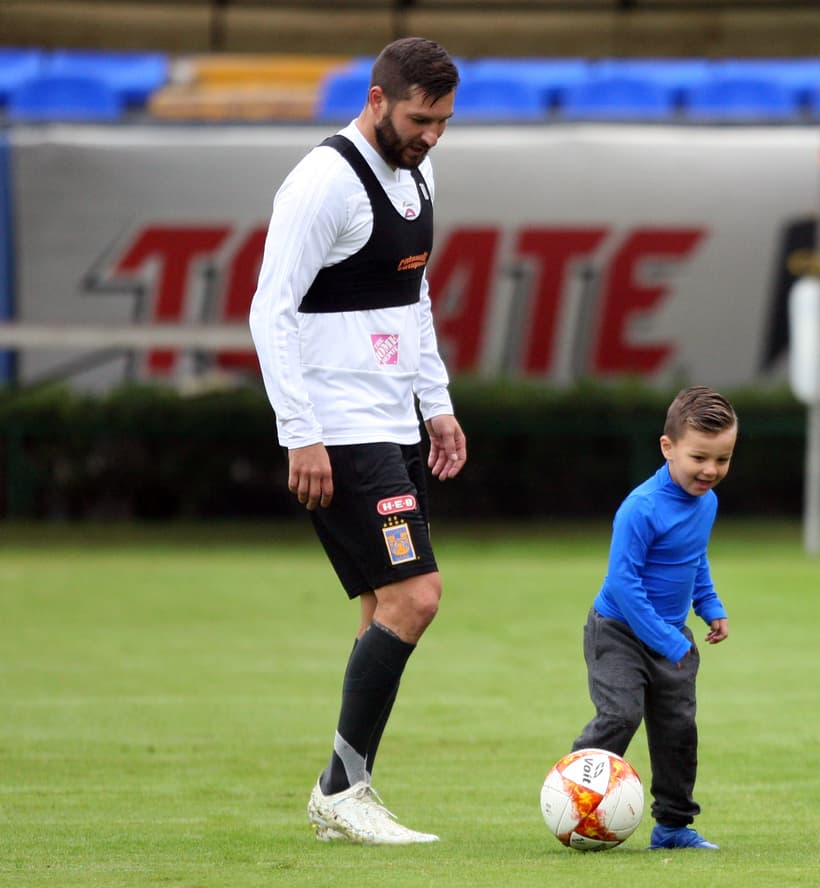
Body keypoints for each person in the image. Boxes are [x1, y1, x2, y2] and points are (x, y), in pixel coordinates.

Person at [248, 36, 466, 846]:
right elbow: (270, 309)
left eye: (443, 122)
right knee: (418, 596)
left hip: (392, 419)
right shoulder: (324, 181)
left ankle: (347, 795)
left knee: (384, 604)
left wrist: (436, 401)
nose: (431, 135)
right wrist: (299, 433)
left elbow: (414, 298)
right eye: (419, 119)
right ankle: (340, 790)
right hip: (339, 429)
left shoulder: (419, 173)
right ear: (377, 100)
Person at [570, 385, 738, 851]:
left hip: (670, 636)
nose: (710, 470)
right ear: (668, 447)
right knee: (620, 715)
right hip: (617, 632)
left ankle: (673, 828)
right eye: (699, 457)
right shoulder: (641, 508)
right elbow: (623, 585)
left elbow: (693, 558)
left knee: (678, 730)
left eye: (722, 459)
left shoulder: (706, 502)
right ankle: (573, 799)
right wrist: (667, 641)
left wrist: (710, 605)